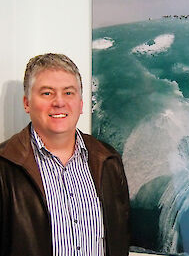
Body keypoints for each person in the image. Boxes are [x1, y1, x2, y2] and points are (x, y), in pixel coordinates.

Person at [0, 53, 130, 256]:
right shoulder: (4, 166)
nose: (59, 102)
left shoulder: (109, 160)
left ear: (80, 104)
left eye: (69, 93)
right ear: (26, 103)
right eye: (47, 93)